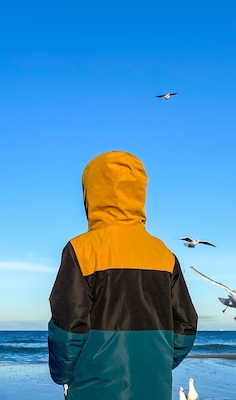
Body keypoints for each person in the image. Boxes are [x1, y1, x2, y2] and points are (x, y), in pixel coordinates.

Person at [48, 151, 197, 400]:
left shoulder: (81, 249)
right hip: (154, 388)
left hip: (93, 389)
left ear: (90, 193)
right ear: (139, 193)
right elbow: (187, 324)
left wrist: (62, 375)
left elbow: (68, 326)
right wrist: (157, 363)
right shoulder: (164, 255)